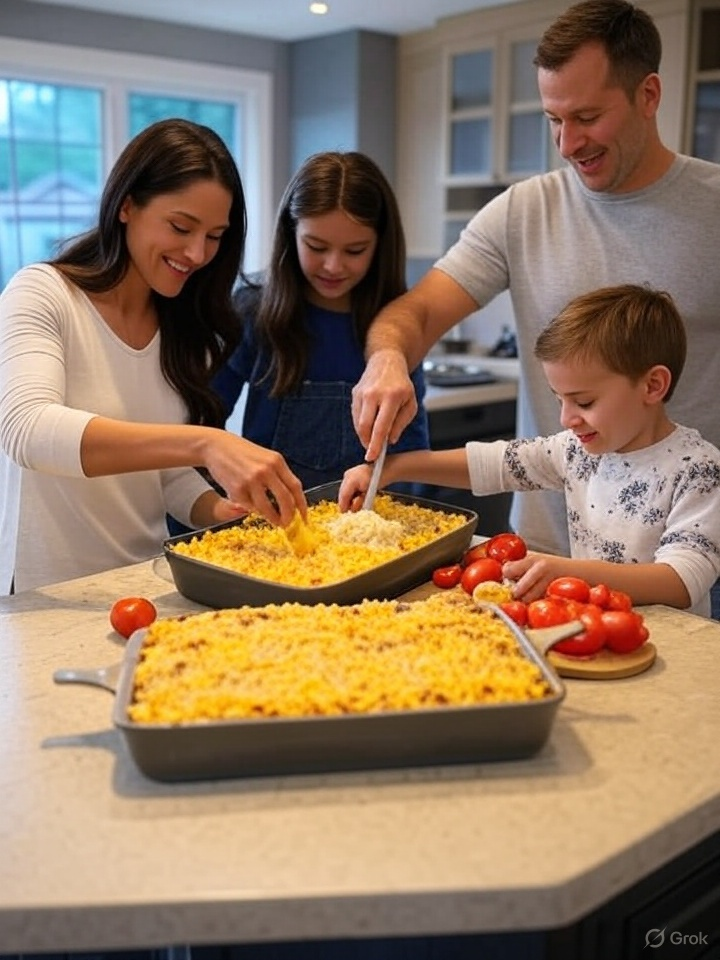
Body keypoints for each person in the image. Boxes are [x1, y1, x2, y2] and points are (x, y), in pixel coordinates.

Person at [349, 0, 720, 616]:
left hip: (688, 556)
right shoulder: (520, 212)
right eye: (553, 119)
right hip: (544, 554)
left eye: (588, 116)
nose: (568, 143)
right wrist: (387, 359)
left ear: (649, 94)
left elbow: (684, 579)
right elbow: (413, 315)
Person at [0, 118, 306, 596]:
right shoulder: (43, 293)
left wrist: (218, 510)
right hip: (47, 595)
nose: (197, 252)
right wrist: (203, 442)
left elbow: (163, 477)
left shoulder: (183, 325)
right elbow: (27, 429)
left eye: (215, 235)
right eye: (181, 227)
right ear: (126, 206)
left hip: (147, 589)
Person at [341, 285, 720, 617]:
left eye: (583, 402)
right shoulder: (579, 451)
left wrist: (567, 571)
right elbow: (495, 464)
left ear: (653, 386)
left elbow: (681, 582)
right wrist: (393, 467)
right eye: (559, 399)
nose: (567, 418)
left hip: (674, 644)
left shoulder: (698, 470)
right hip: (590, 626)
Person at [209, 149, 429, 493]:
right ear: (290, 233)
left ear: (380, 245)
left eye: (354, 251)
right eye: (316, 246)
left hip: (371, 535)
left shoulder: (398, 325)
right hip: (270, 531)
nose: (333, 266)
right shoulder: (253, 309)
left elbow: (409, 457)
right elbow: (204, 424)